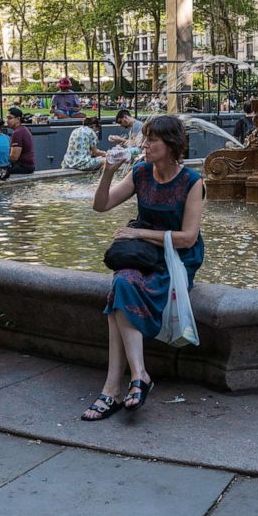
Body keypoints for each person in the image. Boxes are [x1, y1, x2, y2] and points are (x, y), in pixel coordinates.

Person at [82, 115, 205, 421]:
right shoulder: (140, 173)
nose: (144, 145)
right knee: (123, 282)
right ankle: (139, 376)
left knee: (119, 294)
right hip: (141, 256)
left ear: (172, 145)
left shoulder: (192, 182)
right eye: (145, 138)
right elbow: (101, 206)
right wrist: (107, 173)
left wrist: (138, 232)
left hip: (175, 259)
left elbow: (188, 238)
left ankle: (111, 389)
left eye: (152, 140)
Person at [6, 107, 35, 174]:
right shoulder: (23, 129)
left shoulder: (17, 133)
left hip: (23, 167)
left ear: (18, 119)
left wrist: (1, 158)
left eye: (10, 118)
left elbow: (14, 158)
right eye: (7, 118)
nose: (7, 120)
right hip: (29, 166)